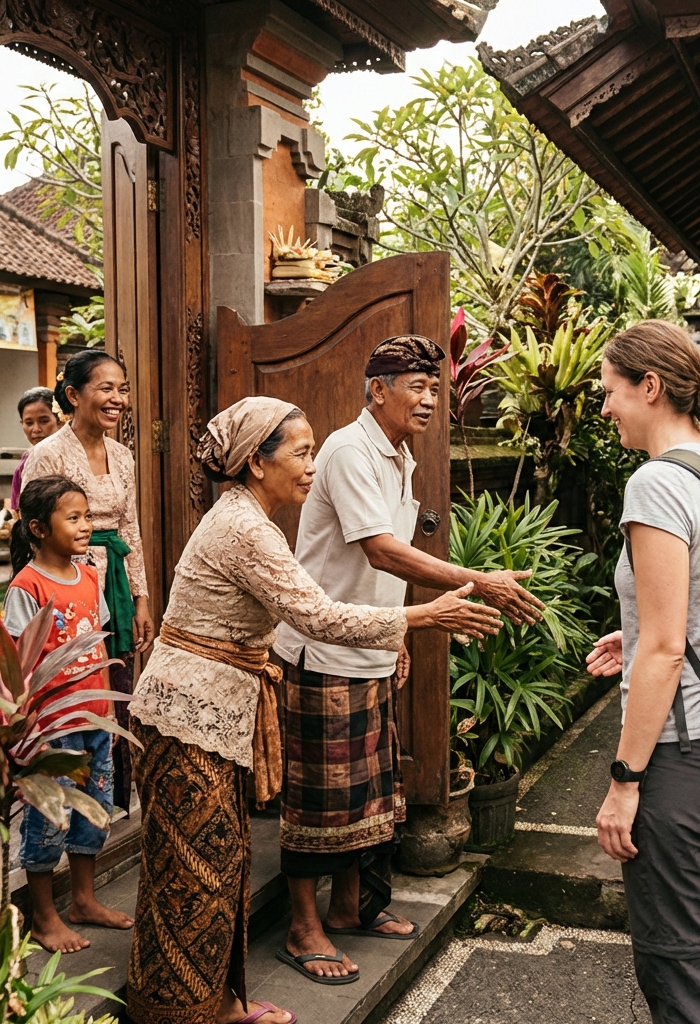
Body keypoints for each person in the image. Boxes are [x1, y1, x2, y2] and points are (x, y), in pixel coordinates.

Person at [125, 397, 501, 1024]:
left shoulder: (248, 519)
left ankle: (192, 1004)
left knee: (206, 867)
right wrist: (421, 616)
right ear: (254, 463)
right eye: (299, 454)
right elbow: (317, 616)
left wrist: (399, 631)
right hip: (188, 717)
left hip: (199, 715)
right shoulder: (245, 529)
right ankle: (198, 1009)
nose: (310, 465)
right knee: (198, 870)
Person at [273, 334, 545, 981]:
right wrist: (478, 580)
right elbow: (380, 549)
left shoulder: (398, 455)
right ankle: (302, 927)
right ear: (378, 390)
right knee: (320, 798)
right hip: (322, 648)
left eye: (435, 388)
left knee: (365, 796)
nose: (430, 400)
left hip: (367, 643)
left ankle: (350, 909)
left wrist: (393, 637)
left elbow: (387, 555)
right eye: (417, 387)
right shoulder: (347, 451)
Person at [586, 320, 700, 1024]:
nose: (605, 409)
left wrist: (623, 781)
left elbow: (667, 649)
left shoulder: (657, 483)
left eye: (611, 391)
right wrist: (632, 632)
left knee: (681, 973)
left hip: (685, 756)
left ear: (651, 386)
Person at [4, 476, 134, 953]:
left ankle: (84, 900)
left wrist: (109, 719)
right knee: (47, 819)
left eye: (86, 516)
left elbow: (96, 650)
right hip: (51, 728)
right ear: (38, 528)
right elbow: (17, 664)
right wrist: (27, 729)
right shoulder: (27, 585)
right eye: (73, 518)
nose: (85, 527)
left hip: (95, 721)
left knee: (92, 813)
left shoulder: (90, 576)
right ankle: (44, 916)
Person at [22, 350, 154, 813]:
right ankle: (63, 797)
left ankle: (111, 800)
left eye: (122, 389)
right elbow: (32, 529)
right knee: (73, 685)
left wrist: (141, 597)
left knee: (115, 688)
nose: (117, 399)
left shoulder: (122, 455)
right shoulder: (48, 453)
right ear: (74, 395)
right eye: (106, 388)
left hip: (114, 584)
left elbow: (130, 528)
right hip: (66, 588)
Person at [11, 387, 59, 510]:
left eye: (44, 421)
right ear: (22, 424)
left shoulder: (73, 455)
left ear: (59, 420)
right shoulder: (24, 464)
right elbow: (18, 510)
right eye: (29, 423)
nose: (36, 429)